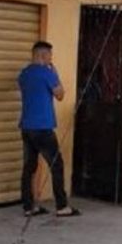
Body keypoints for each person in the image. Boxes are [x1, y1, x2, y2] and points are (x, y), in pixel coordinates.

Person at [18, 41, 80, 218]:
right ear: (43, 55)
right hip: (43, 128)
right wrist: (56, 75)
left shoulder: (24, 74)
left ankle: (28, 206)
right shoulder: (47, 73)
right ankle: (62, 206)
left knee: (28, 167)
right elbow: (60, 95)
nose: (51, 59)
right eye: (50, 55)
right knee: (56, 165)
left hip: (26, 127)